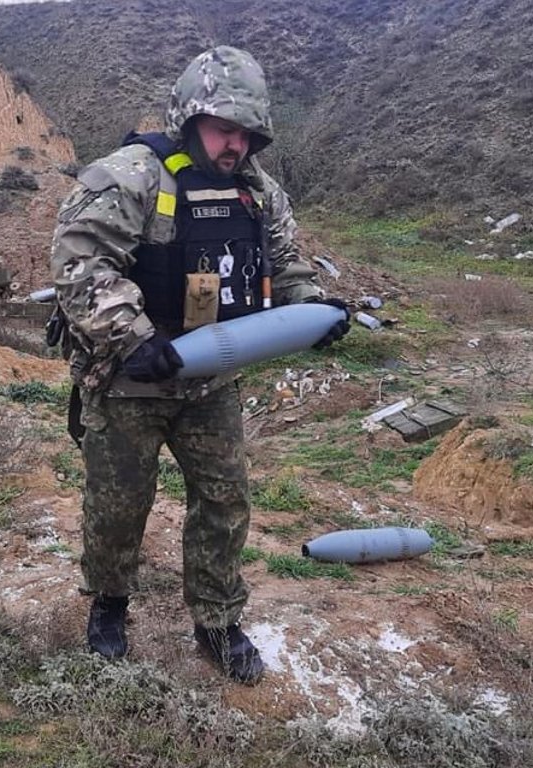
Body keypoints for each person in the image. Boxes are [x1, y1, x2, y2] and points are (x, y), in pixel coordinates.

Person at [49, 45, 349, 683]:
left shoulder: (257, 193)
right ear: (189, 120)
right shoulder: (130, 177)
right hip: (128, 381)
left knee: (224, 501)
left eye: (246, 133)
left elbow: (283, 263)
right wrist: (134, 338)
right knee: (118, 504)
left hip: (210, 382)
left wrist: (313, 308)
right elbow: (80, 265)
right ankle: (109, 604)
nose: (234, 144)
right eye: (223, 129)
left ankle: (217, 620)